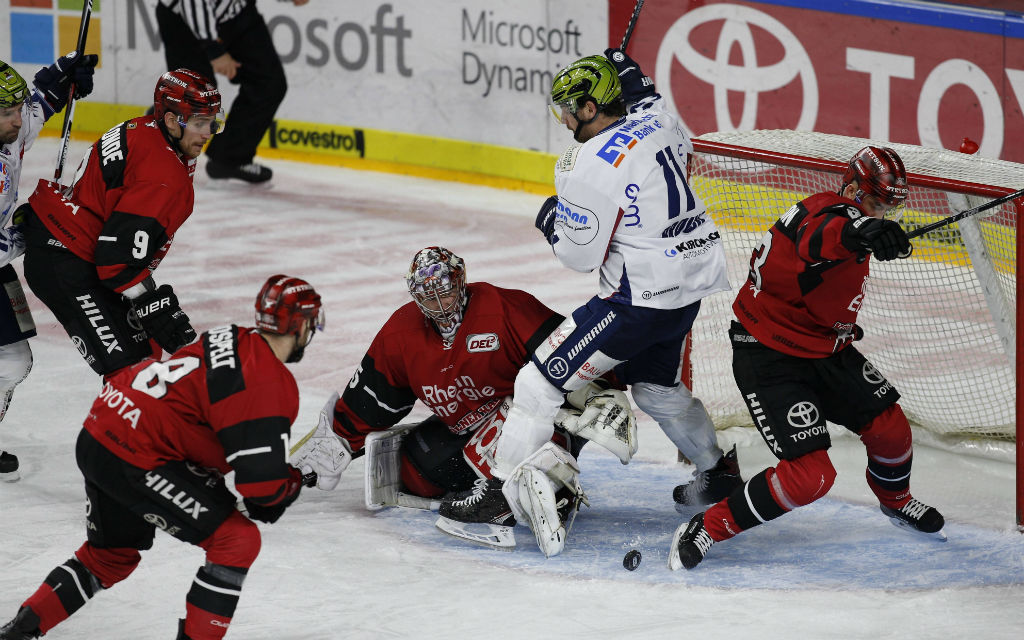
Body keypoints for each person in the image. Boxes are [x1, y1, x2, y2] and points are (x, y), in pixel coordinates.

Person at [470, 50, 741, 557]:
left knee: (537, 382)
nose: (566, 121)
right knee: (657, 388)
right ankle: (717, 471)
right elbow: (648, 97)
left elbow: (578, 256)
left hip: (638, 300)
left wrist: (552, 218)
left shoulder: (590, 165)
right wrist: (626, 68)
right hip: (692, 284)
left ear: (594, 106)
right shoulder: (659, 121)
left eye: (569, 110)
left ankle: (494, 500)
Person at [0, 274, 324, 640]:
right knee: (237, 541)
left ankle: (18, 631)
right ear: (302, 325)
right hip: (136, 451)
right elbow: (263, 492)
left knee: (109, 557)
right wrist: (290, 484)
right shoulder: (268, 381)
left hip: (102, 426)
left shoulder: (230, 334)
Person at [668, 146, 946, 571]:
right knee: (810, 477)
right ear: (852, 188)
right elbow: (824, 237)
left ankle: (895, 501)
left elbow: (820, 274)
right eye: (877, 203)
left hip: (822, 347)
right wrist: (863, 231)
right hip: (768, 355)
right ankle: (709, 524)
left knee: (891, 431)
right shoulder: (828, 213)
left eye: (890, 207)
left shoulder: (852, 217)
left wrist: (866, 235)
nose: (883, 214)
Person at [290, 246, 635, 551]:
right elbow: (371, 401)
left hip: (532, 417)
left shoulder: (506, 308)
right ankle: (501, 486)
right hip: (465, 427)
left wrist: (599, 392)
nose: (440, 305)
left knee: (530, 449)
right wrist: (336, 443)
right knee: (414, 474)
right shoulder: (401, 334)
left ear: (461, 281)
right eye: (428, 296)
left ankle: (547, 484)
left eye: (445, 291)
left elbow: (573, 355)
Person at [19, 69, 223, 379]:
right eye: (198, 123)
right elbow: (116, 263)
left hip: (74, 244)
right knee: (133, 373)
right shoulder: (165, 178)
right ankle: (114, 428)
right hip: (67, 261)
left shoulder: (141, 127)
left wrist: (148, 301)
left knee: (149, 353)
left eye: (212, 121)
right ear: (170, 120)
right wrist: (153, 304)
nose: (208, 132)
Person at [0, 54, 97, 480]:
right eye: (7, 112)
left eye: (15, 109)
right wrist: (30, 231)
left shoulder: (9, 133)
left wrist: (63, 74)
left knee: (13, 360)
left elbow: (38, 105)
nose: (17, 120)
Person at [154, 0, 308, 184]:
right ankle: (156, 140)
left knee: (269, 82)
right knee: (194, 95)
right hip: (185, 20)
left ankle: (230, 158)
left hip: (236, 11)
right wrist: (213, 49)